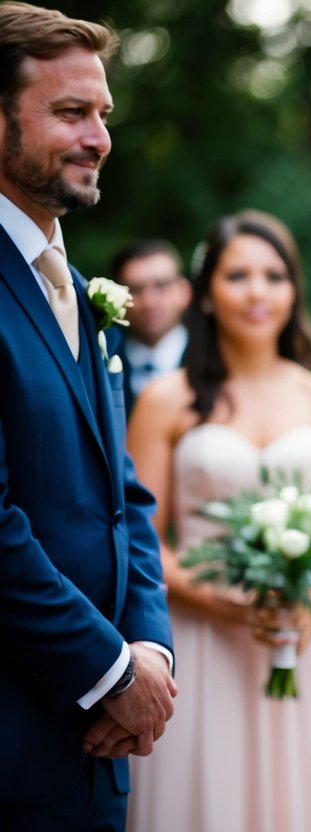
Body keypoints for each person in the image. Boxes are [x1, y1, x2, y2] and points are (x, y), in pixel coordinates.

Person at [125, 210, 311, 832]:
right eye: (238, 276)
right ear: (207, 293)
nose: (258, 292)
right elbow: (139, 541)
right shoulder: (166, 402)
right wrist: (229, 606)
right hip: (203, 640)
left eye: (274, 275)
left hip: (310, 644)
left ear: (294, 289)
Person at [0, 5, 176, 828]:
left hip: (97, 749)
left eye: (103, 114)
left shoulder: (78, 288)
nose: (99, 137)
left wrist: (149, 654)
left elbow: (123, 497)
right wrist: (108, 670)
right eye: (71, 112)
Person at [111, 238, 190, 412]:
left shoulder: (213, 357)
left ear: (184, 291)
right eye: (136, 289)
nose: (149, 302)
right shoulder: (101, 363)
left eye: (161, 286)